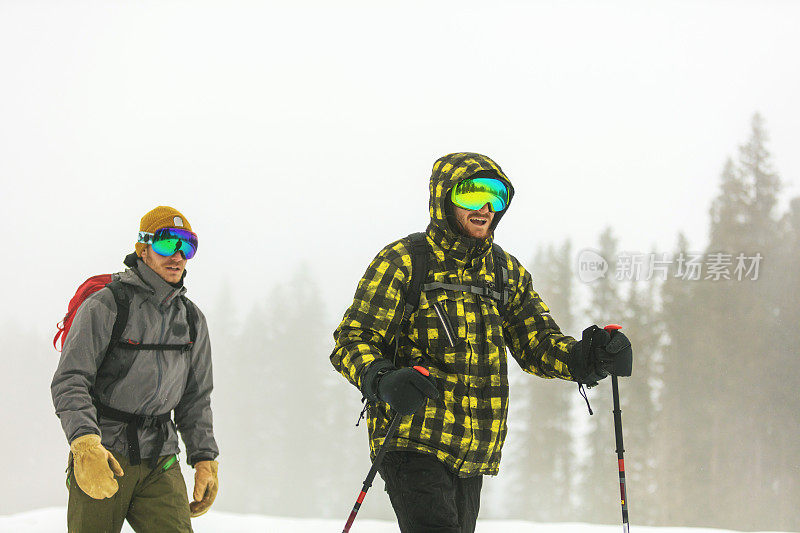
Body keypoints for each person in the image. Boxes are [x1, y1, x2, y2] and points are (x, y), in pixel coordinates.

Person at [331, 152, 632, 533]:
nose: (486, 206)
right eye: (472, 195)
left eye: (496, 196)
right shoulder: (404, 261)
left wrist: (588, 356)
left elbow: (537, 344)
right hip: (413, 436)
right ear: (445, 199)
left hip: (472, 448)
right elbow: (352, 340)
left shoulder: (505, 271)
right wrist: (383, 378)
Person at [52, 206, 219, 533]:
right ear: (143, 249)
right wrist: (85, 444)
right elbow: (70, 381)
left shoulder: (191, 319)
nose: (178, 256)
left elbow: (196, 398)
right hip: (105, 455)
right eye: (167, 245)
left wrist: (204, 459)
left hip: (161, 459)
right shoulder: (107, 304)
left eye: (188, 247)